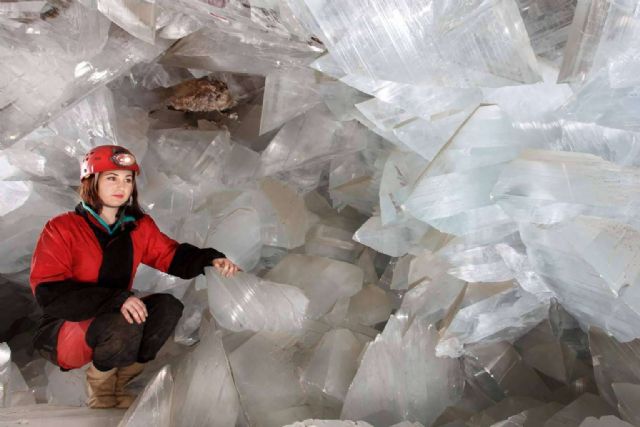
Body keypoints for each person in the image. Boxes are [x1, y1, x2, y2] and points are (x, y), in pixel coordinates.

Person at [29, 145, 239, 409]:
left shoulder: (138, 226)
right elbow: (50, 293)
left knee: (167, 308)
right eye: (111, 178)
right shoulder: (62, 228)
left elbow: (171, 255)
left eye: (128, 179)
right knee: (124, 319)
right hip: (66, 328)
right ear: (91, 182)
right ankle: (102, 391)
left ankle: (121, 382)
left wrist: (210, 259)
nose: (122, 186)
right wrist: (117, 299)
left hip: (116, 315)